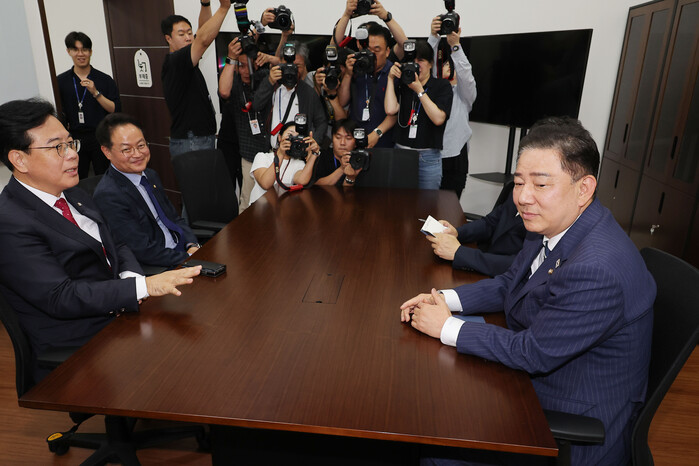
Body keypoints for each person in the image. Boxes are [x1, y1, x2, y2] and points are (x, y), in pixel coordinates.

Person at [400, 117, 655, 465]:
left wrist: (447, 326)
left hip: (566, 418)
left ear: (584, 189)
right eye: (519, 182)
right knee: (427, 395)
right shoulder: (552, 225)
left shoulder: (596, 269)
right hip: (536, 379)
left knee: (436, 444)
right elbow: (511, 282)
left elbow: (534, 352)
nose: (522, 198)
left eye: (541, 184)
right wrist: (445, 299)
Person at [0, 98, 201, 382]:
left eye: (70, 143)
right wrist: (142, 286)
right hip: (81, 346)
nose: (72, 154)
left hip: (121, 314)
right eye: (57, 147)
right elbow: (60, 296)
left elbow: (116, 243)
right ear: (19, 159)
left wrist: (131, 280)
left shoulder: (73, 192)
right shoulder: (10, 221)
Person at [93, 113, 200, 269]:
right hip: (160, 266)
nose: (137, 154)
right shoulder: (108, 195)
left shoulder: (150, 175)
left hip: (181, 251)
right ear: (107, 152)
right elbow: (142, 250)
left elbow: (174, 218)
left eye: (141, 145)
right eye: (127, 149)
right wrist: (188, 259)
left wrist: (192, 245)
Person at [161, 0, 231, 157]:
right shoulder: (175, 61)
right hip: (192, 141)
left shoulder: (184, 59)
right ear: (168, 39)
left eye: (189, 32)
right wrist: (224, 7)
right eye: (181, 34)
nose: (188, 37)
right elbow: (203, 40)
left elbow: (202, 33)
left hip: (198, 138)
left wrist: (205, 4)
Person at [385, 40, 453, 189]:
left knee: (427, 202)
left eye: (420, 60)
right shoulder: (403, 83)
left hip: (428, 157)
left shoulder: (441, 86)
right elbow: (390, 109)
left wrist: (419, 90)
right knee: (400, 201)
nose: (415, 65)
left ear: (430, 63)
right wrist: (390, 79)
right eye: (412, 61)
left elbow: (438, 118)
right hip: (401, 153)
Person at [56, 31, 121, 179]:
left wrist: (95, 92)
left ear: (90, 52)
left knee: (105, 177)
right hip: (75, 138)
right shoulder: (61, 81)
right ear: (69, 52)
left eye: (84, 49)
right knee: (77, 178)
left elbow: (115, 109)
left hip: (100, 136)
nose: (81, 54)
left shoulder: (104, 79)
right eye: (76, 50)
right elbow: (59, 111)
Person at [218, 35, 269, 213]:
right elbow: (223, 92)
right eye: (241, 65)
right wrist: (231, 59)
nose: (245, 70)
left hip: (270, 153)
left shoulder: (266, 78)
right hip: (248, 154)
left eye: (249, 65)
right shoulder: (235, 83)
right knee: (247, 204)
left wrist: (270, 59)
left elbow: (287, 68)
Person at [428, 19, 476, 199]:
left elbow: (466, 74)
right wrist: (433, 37)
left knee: (450, 207)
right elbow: (428, 65)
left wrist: (455, 46)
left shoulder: (464, 94)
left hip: (455, 156)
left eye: (452, 64)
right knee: (426, 206)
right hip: (430, 154)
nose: (449, 66)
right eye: (446, 63)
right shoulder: (433, 90)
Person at [253, 42, 327, 151]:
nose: (292, 69)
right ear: (280, 63)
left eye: (297, 66)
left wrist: (313, 143)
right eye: (288, 64)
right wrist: (269, 82)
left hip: (299, 154)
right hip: (273, 152)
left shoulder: (308, 92)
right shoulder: (271, 85)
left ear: (304, 67)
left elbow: (321, 122)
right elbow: (256, 105)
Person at [429, 194, 526, 277]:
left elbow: (519, 264)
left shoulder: (536, 222)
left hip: (505, 279)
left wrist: (460, 253)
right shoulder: (517, 193)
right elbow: (490, 223)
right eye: (518, 183)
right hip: (484, 262)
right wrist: (457, 232)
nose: (520, 189)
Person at [337, 20, 399, 148]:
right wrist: (348, 74)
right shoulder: (357, 68)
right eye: (369, 49)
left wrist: (377, 133)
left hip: (385, 143)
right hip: (355, 142)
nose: (372, 55)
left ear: (387, 51)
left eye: (377, 50)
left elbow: (397, 112)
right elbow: (342, 102)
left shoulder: (394, 73)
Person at [249, 121, 320, 205]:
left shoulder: (298, 163)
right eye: (290, 135)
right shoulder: (262, 157)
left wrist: (314, 154)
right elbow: (265, 184)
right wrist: (281, 154)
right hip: (258, 208)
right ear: (279, 137)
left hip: (281, 209)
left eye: (297, 137)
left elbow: (302, 181)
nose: (293, 140)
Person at [314, 119, 362, 187]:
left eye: (348, 138)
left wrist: (350, 178)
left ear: (356, 142)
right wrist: (342, 168)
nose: (342, 143)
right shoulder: (321, 156)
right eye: (338, 137)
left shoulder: (361, 158)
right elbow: (316, 185)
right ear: (332, 139)